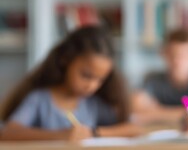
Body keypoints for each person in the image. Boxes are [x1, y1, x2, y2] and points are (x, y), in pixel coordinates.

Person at [0, 26, 141, 142]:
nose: (92, 86)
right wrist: (61, 135)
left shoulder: (92, 103)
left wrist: (93, 132)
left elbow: (133, 129)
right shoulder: (40, 98)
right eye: (86, 75)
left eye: (100, 80)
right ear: (65, 60)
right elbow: (8, 133)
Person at [131, 29, 188, 125]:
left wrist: (157, 111)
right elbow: (135, 113)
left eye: (185, 56)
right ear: (163, 53)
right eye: (173, 55)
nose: (178, 61)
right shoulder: (152, 80)